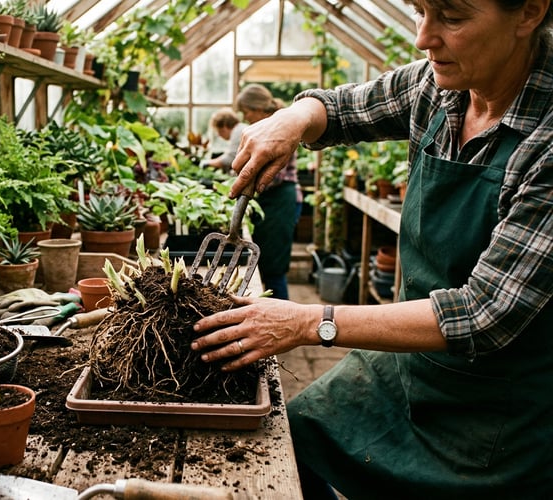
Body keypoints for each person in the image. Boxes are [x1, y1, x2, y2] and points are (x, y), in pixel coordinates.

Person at [190, 0, 553, 498]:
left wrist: (307, 323)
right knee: (295, 437)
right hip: (408, 368)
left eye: (452, 17)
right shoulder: (437, 87)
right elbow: (341, 110)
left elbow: (483, 313)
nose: (423, 38)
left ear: (529, 12)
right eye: (418, 10)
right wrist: (292, 118)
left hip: (497, 414)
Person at [235, 84, 301, 300]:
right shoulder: (266, 126)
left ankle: (283, 313)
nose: (245, 117)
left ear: (257, 107)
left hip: (281, 199)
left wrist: (246, 178)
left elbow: (275, 175)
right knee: (266, 263)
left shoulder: (280, 127)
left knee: (274, 267)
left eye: (246, 112)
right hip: (271, 199)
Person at [205, 108, 246, 173]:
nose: (219, 135)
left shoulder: (238, 132)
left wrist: (207, 163)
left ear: (224, 126)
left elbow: (230, 159)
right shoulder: (240, 129)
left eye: (219, 131)